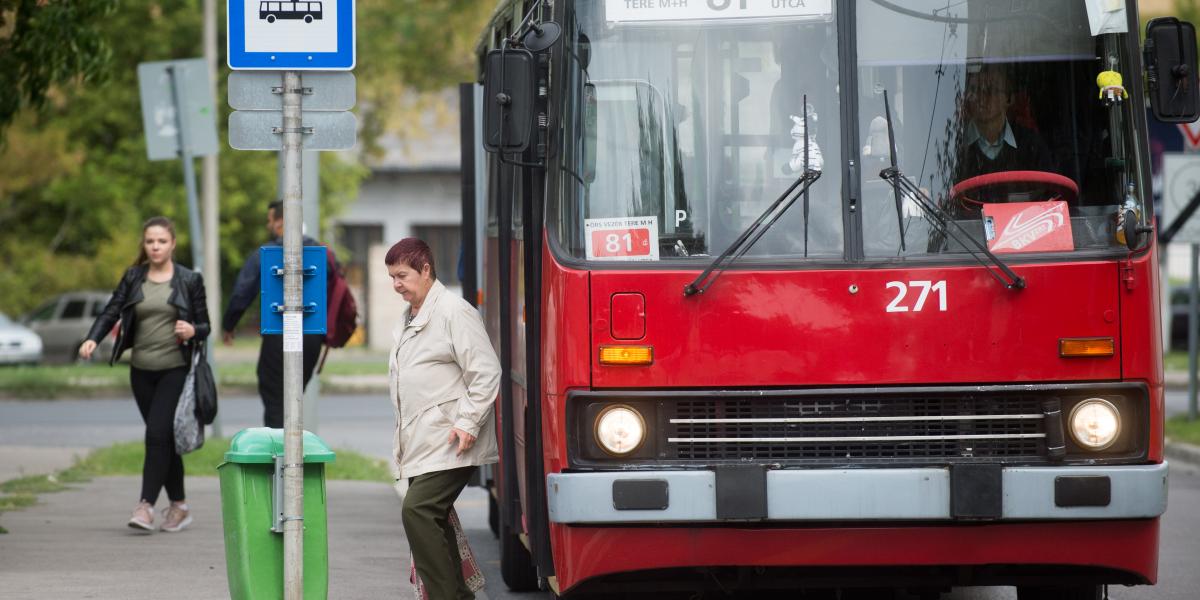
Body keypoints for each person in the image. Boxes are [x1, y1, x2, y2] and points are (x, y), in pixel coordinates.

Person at [386, 237, 500, 600]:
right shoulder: (409, 318)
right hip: (424, 442)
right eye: (391, 277)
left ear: (425, 269)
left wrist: (468, 423)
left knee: (418, 511)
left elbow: (486, 372)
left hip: (451, 440)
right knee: (437, 518)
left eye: (402, 275)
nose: (396, 285)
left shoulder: (454, 311)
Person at [79, 216, 209, 533]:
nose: (155, 246)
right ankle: (179, 506)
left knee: (155, 436)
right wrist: (93, 337)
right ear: (144, 244)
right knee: (162, 438)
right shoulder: (134, 277)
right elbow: (112, 309)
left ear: (173, 244)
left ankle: (145, 507)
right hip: (141, 370)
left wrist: (193, 329)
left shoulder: (189, 280)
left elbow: (206, 326)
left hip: (174, 369)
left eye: (161, 241)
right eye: (150, 241)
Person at [222, 200, 325, 428]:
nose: (269, 226)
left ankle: (282, 459)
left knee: (276, 400)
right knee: (294, 398)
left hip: (279, 335)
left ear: (280, 222)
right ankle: (294, 455)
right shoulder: (321, 253)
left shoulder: (267, 254)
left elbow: (241, 293)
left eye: (270, 221)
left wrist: (228, 325)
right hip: (312, 338)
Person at [955, 63, 1056, 182]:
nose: (981, 97)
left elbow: (1051, 194)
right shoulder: (956, 145)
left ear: (1009, 99)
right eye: (974, 89)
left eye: (990, 89)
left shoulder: (1031, 146)